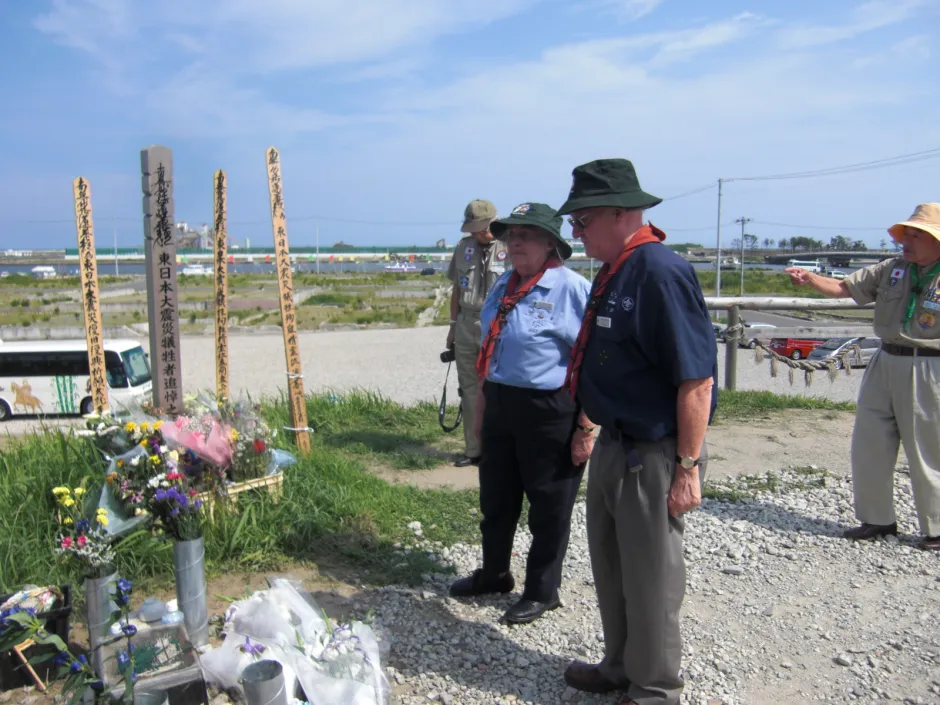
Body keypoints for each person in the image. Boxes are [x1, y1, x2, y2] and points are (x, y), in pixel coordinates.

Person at [557, 159, 718, 705]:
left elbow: (696, 380)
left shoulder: (659, 271)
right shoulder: (615, 268)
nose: (576, 233)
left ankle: (653, 690)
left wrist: (688, 468)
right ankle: (620, 665)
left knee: (651, 579)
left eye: (583, 220)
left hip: (651, 452)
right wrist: (587, 424)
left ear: (622, 213)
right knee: (611, 566)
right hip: (614, 444)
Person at [448, 202, 593, 625]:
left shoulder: (571, 290)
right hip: (500, 403)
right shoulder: (503, 286)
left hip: (550, 410)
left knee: (549, 506)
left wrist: (586, 425)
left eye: (526, 235)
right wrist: (481, 414)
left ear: (551, 244)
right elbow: (491, 351)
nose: (515, 242)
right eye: (511, 235)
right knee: (496, 499)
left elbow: (590, 365)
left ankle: (542, 590)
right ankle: (494, 574)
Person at [785, 203, 940, 552]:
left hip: (930, 365)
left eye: (917, 235)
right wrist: (809, 278)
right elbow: (843, 288)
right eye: (906, 234)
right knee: (870, 441)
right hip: (885, 358)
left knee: (928, 448)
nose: (907, 241)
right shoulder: (892, 268)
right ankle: (877, 519)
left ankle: (936, 528)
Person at [446, 199, 509, 467]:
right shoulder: (463, 248)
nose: (475, 234)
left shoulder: (511, 246)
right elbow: (457, 291)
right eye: (472, 229)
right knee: (469, 389)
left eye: (480, 228)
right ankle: (474, 450)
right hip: (465, 323)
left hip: (498, 323)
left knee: (498, 388)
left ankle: (501, 451)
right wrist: (451, 327)